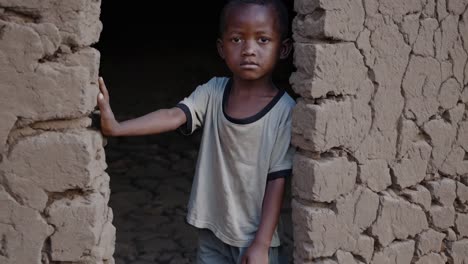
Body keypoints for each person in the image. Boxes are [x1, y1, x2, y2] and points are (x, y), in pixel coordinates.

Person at [97, 0, 295, 263]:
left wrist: (261, 242)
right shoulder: (213, 92)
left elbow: (276, 180)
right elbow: (173, 115)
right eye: (237, 39)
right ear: (221, 48)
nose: (248, 50)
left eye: (262, 40)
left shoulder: (285, 111)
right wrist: (117, 127)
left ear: (283, 49)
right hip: (212, 230)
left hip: (258, 239)